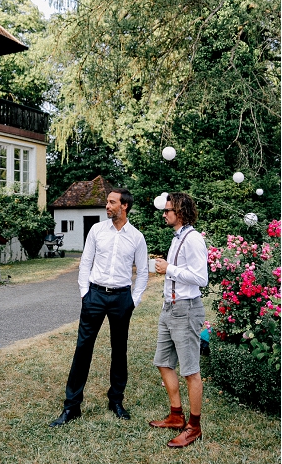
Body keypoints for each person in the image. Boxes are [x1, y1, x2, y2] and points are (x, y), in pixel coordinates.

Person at [49, 188, 149, 427]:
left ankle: (116, 400)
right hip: (94, 295)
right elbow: (85, 263)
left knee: (119, 350)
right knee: (82, 349)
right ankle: (72, 407)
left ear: (124, 206)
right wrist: (85, 293)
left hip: (121, 298)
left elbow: (143, 272)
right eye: (107, 202)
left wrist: (134, 300)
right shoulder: (96, 230)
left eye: (111, 202)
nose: (107, 206)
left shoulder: (136, 237)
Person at [150, 192, 209, 448]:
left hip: (186, 309)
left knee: (190, 370)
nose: (164, 214)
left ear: (181, 212)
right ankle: (176, 415)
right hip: (169, 308)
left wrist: (169, 269)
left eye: (168, 210)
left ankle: (193, 427)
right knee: (163, 362)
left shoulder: (193, 240)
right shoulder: (177, 239)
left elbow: (201, 278)